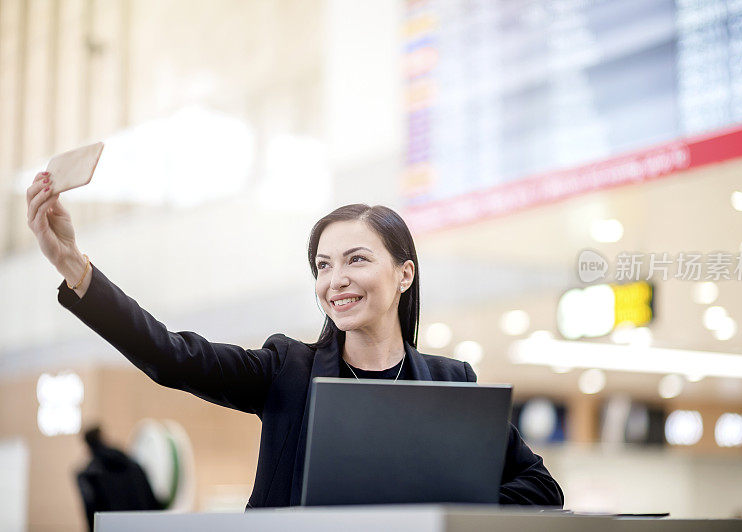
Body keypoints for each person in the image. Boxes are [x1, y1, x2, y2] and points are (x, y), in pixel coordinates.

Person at [27, 171, 564, 508]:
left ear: (404, 274)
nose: (336, 280)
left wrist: (437, 510)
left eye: (357, 259)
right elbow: (172, 357)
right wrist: (75, 267)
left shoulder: (452, 383)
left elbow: (540, 488)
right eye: (323, 265)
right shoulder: (288, 370)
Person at [75, 425, 162, 531]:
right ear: (104, 438)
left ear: (87, 445)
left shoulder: (88, 476)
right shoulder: (133, 465)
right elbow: (150, 500)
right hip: (143, 526)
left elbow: (91, 515)